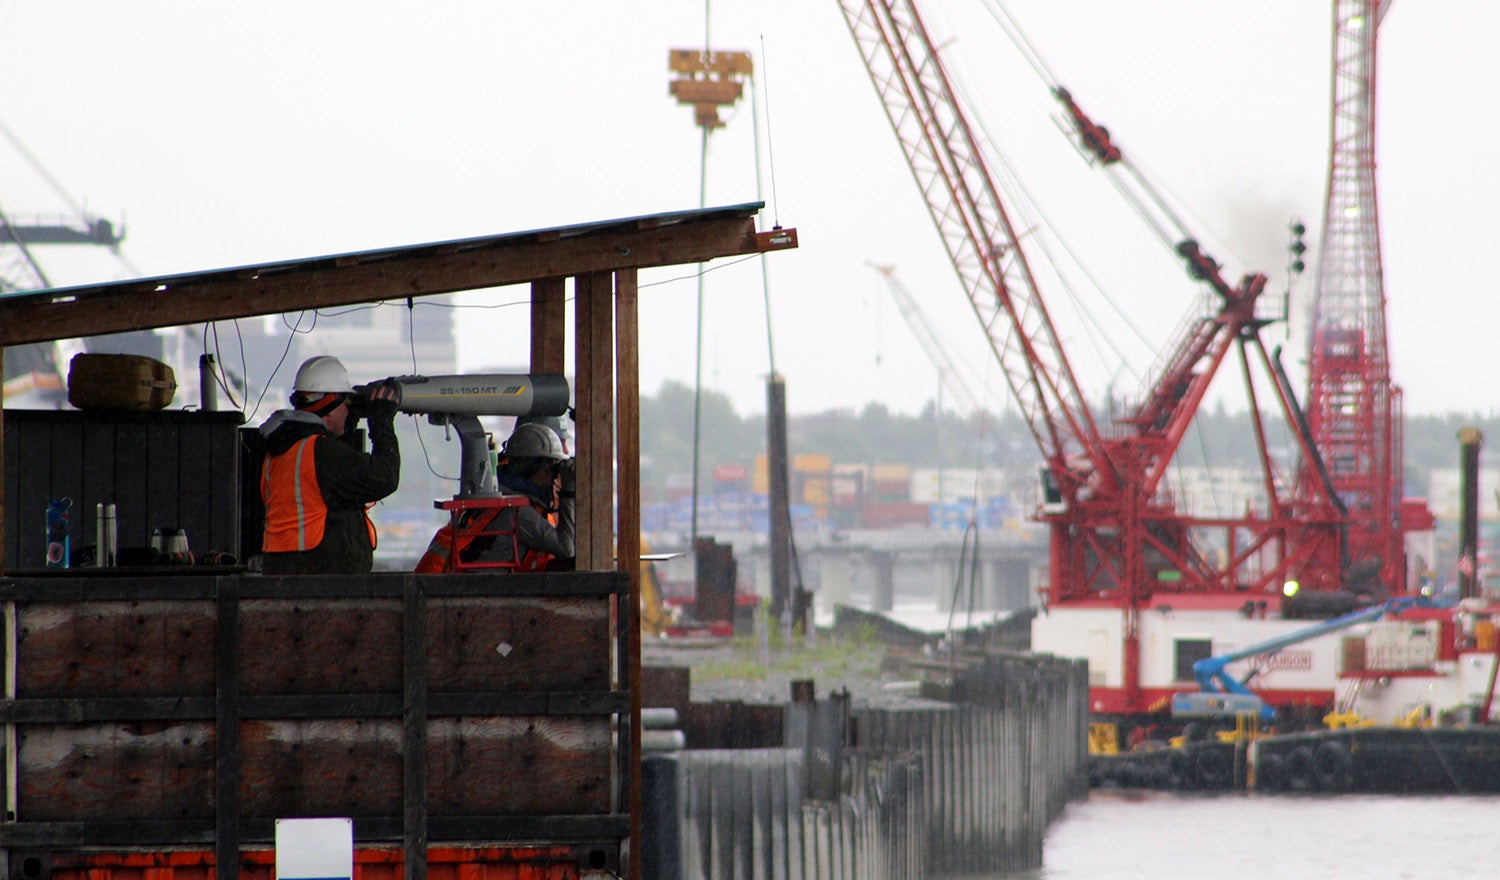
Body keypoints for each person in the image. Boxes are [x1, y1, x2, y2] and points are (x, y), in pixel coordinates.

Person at [257, 355, 401, 574]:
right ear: (330, 404)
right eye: (346, 404)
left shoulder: (283, 447)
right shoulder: (320, 452)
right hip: (322, 580)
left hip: (286, 574)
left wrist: (349, 423)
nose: (348, 410)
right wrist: (381, 422)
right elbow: (384, 477)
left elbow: (333, 483)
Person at [414, 421, 575, 573]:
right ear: (534, 468)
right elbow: (567, 548)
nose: (551, 478)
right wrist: (569, 492)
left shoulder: (500, 495)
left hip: (466, 582)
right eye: (549, 469)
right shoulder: (517, 511)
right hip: (478, 589)